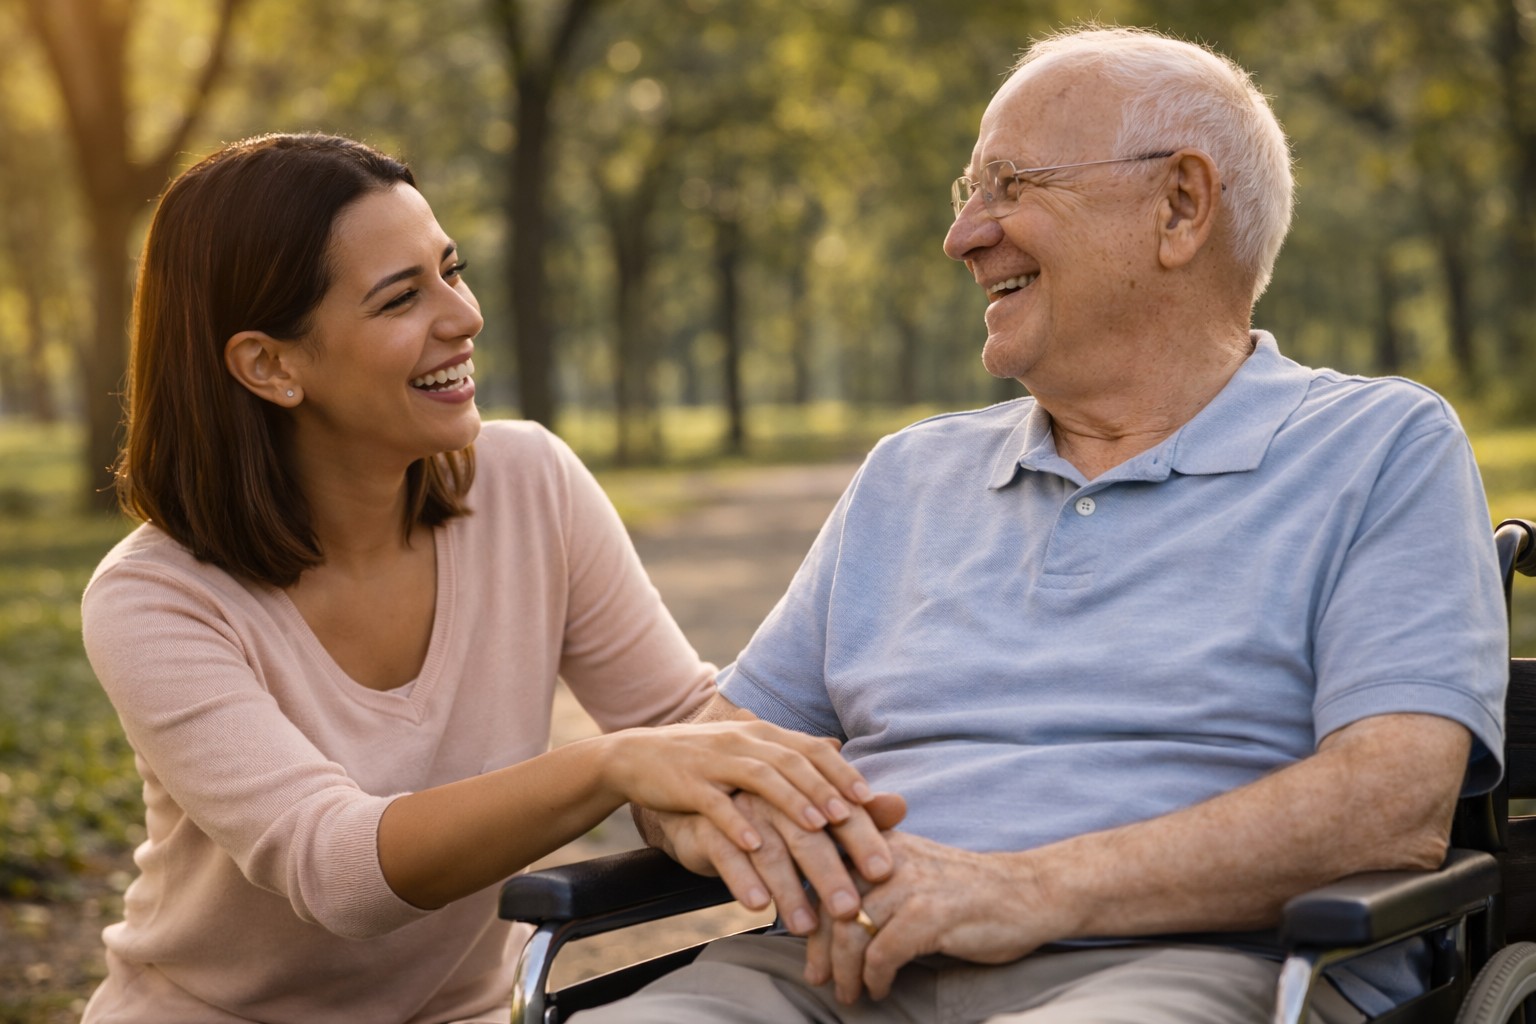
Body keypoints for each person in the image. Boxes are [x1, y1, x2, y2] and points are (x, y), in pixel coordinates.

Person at [575, 25, 1508, 1024]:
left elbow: (1392, 805)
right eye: (967, 192)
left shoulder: (1380, 446)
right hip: (839, 971)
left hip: (1202, 970)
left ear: (1181, 206)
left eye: (1011, 185)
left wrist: (1023, 890)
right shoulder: (908, 475)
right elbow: (707, 755)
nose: (964, 236)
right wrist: (725, 816)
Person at [78, 133, 885, 1024]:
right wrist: (615, 766)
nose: (463, 316)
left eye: (451, 270)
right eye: (401, 298)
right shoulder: (155, 599)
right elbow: (334, 868)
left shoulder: (530, 482)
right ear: (270, 365)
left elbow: (682, 722)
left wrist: (779, 805)